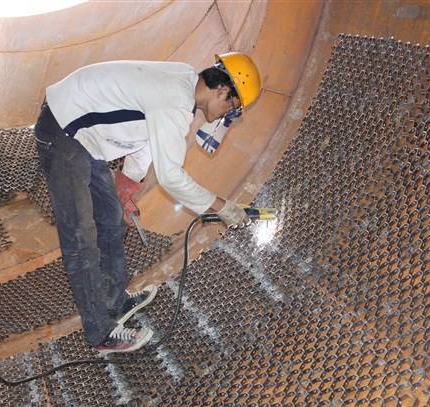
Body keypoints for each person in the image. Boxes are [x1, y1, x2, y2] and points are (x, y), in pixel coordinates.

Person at [33, 52, 262, 355]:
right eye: (230, 106)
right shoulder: (175, 99)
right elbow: (170, 177)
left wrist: (128, 183)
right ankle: (100, 333)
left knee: (112, 217)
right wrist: (222, 208)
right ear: (222, 90)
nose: (225, 115)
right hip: (64, 131)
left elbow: (146, 133)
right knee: (81, 237)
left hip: (87, 136)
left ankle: (115, 301)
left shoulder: (184, 81)